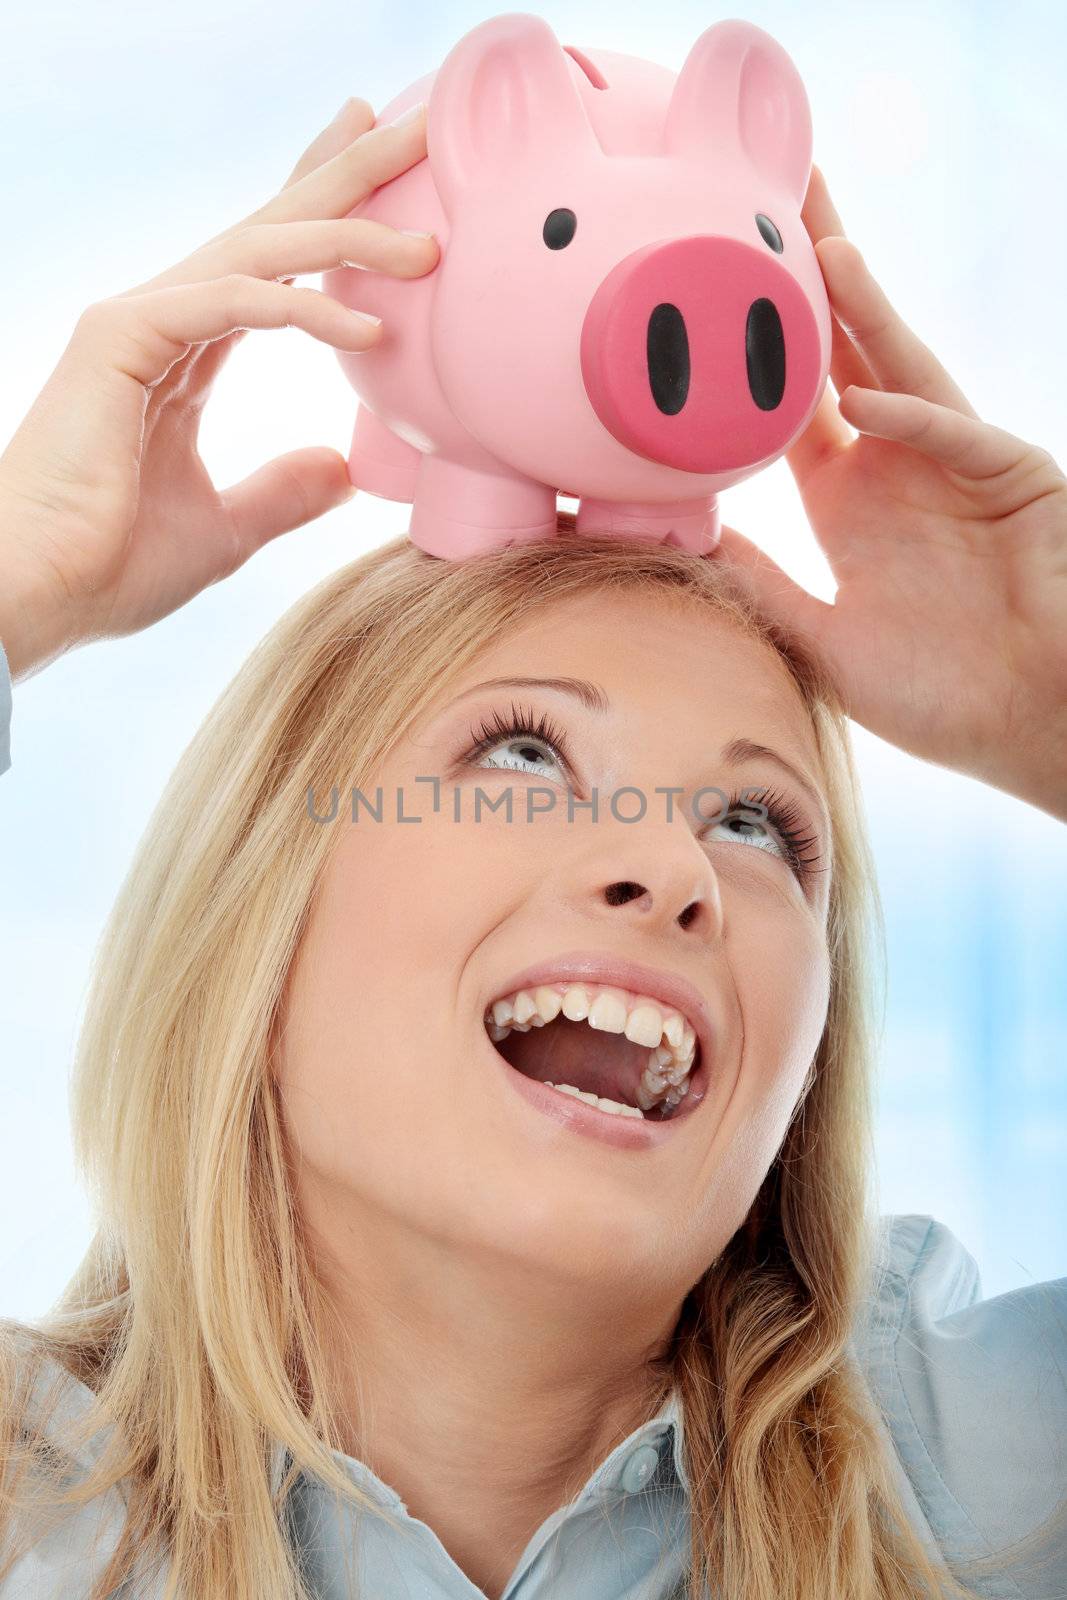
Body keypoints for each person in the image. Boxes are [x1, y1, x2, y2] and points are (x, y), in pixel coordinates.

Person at [0, 96, 1064, 1600]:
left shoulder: (993, 1478)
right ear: (263, 893)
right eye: (522, 753)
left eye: (758, 824)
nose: (674, 870)